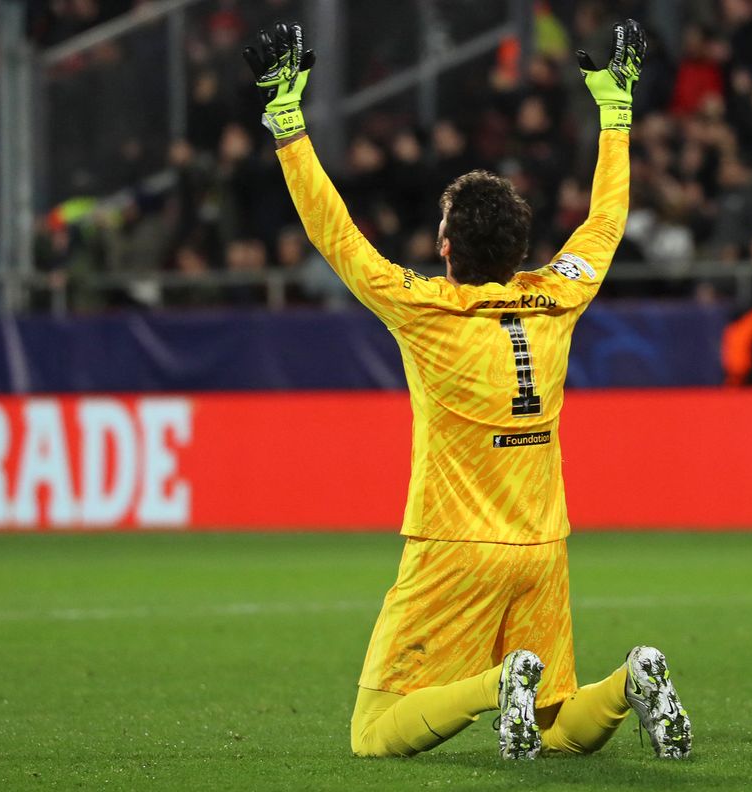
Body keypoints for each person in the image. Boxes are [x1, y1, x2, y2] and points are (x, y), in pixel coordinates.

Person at [242, 20, 692, 761]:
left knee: (373, 735)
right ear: (520, 251)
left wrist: (287, 125)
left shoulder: (423, 310)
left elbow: (338, 235)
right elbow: (606, 221)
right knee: (560, 727)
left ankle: (495, 685)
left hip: (455, 544)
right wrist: (617, 110)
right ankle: (632, 681)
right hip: (542, 543)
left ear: (446, 247)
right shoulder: (557, 296)